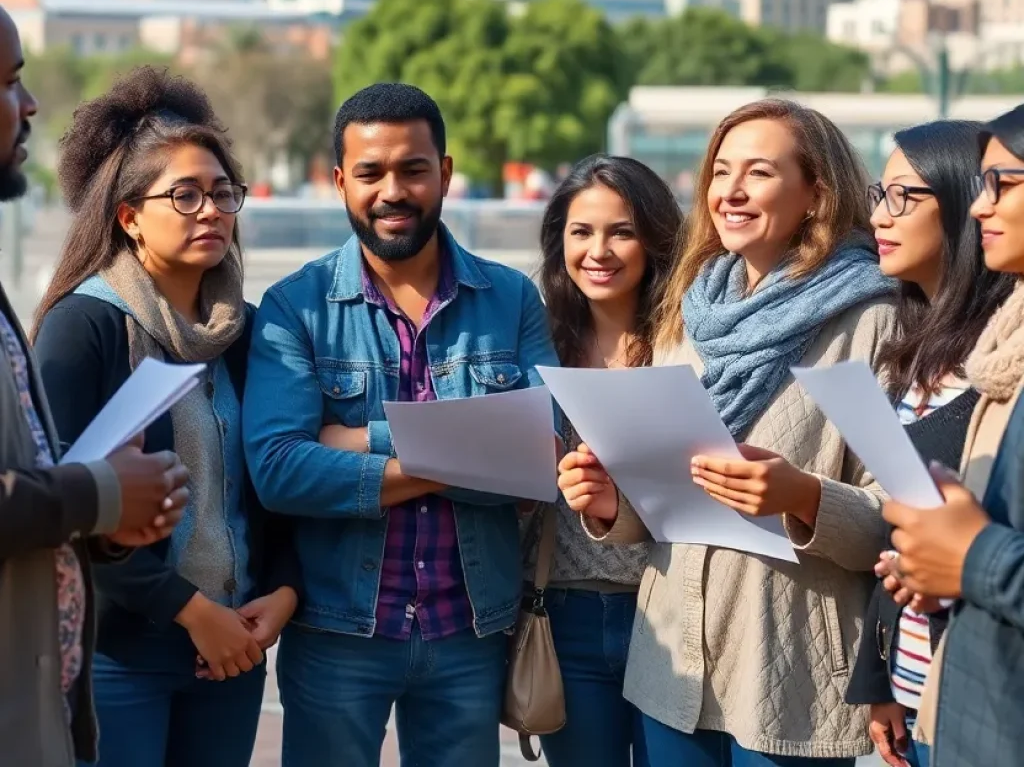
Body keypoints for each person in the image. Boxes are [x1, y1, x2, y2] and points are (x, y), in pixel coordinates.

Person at [558, 98, 898, 767]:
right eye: (720, 171)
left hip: (792, 670)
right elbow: (664, 502)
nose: (730, 192)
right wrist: (610, 501)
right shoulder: (688, 310)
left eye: (759, 173)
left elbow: (898, 520)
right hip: (671, 668)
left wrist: (801, 496)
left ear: (817, 193)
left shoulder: (873, 319)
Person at [243, 82, 559, 767]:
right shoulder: (294, 307)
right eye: (370, 172)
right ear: (339, 182)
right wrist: (460, 450)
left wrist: (358, 439)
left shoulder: (509, 299)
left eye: (413, 169)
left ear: (443, 173)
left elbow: (537, 455)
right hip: (336, 630)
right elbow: (278, 471)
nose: (393, 190)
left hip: (469, 631)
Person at [32, 68, 300, 767]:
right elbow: (62, 505)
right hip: (121, 651)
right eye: (184, 195)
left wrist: (283, 595)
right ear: (128, 216)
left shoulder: (250, 332)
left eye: (222, 193)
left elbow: (280, 474)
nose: (210, 209)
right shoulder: (84, 328)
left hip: (234, 646)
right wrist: (189, 610)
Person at [0, 10, 191, 767]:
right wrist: (101, 496)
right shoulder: (86, 322)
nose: (30, 106)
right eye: (10, 83)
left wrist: (107, 528)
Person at [845, 121, 1012, 767]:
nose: (880, 217)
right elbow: (904, 530)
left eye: (903, 198)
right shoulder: (911, 350)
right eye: (877, 195)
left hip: (977, 696)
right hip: (911, 687)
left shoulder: (998, 362)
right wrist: (879, 681)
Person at [532, 155, 682, 767]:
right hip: (565, 616)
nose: (600, 250)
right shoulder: (536, 342)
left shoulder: (688, 343)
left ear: (653, 237)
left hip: (672, 612)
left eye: (622, 231)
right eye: (582, 232)